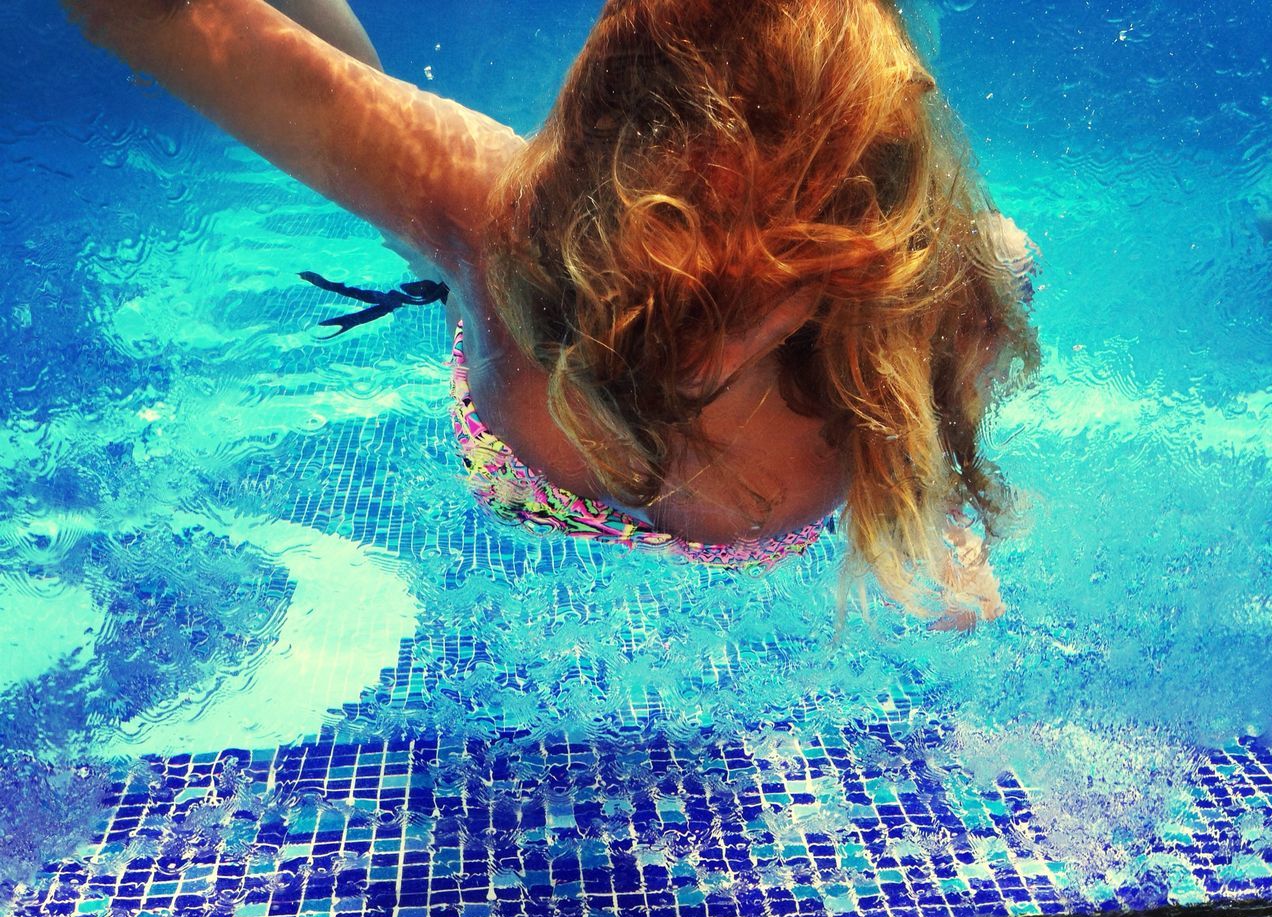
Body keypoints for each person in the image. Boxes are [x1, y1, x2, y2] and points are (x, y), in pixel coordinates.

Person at [61, 0, 1039, 627]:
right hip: (496, 246)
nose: (686, 357)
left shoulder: (913, 305)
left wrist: (925, 496)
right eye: (652, 286)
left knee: (996, 257)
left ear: (833, 275)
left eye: (746, 293)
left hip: (906, 262)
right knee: (388, 180)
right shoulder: (489, 222)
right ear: (583, 210)